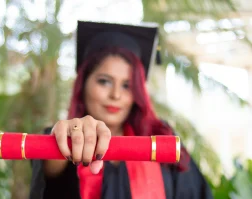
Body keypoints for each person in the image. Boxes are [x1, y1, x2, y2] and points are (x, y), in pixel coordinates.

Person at [29, 21, 213, 199]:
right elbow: (49, 173)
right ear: (83, 84)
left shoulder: (161, 140)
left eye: (127, 85)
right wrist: (67, 141)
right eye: (104, 81)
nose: (116, 95)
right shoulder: (67, 141)